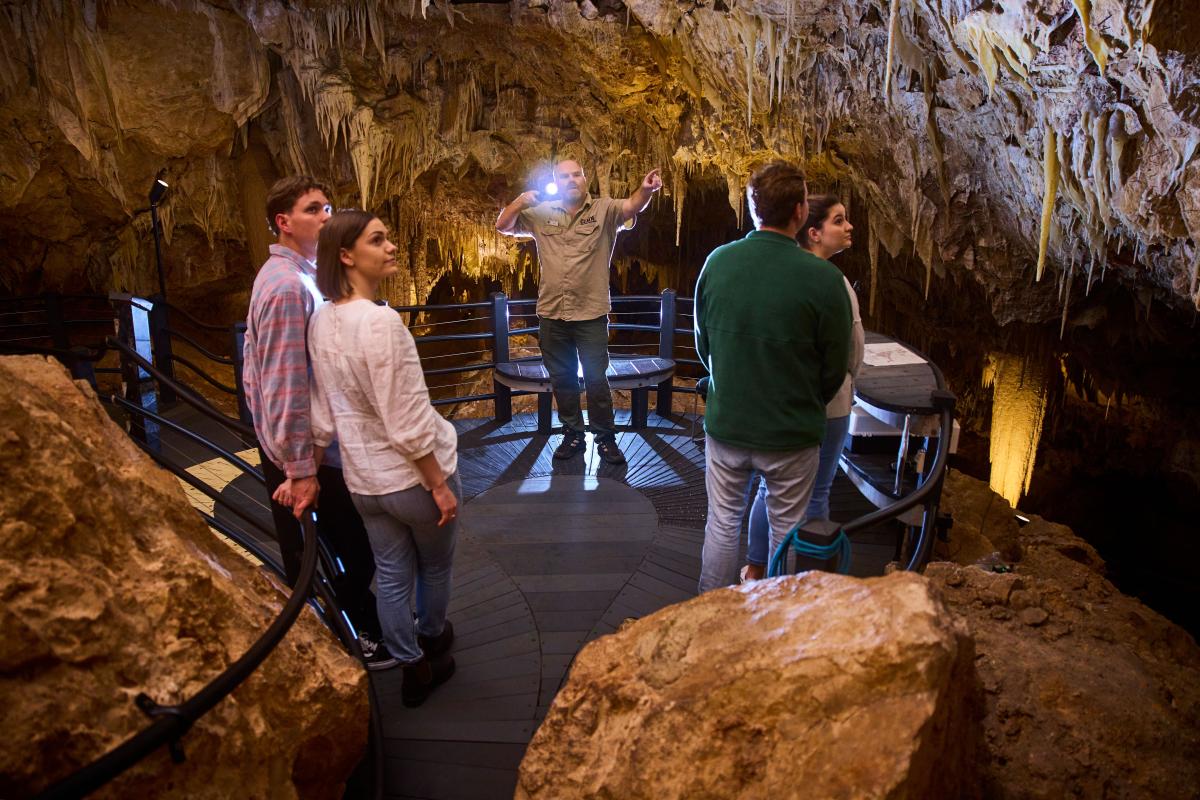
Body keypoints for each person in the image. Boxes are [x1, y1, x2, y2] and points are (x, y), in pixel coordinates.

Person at [306, 210, 461, 707]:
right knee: (433, 569)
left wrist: (308, 469)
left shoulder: (321, 320)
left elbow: (323, 415)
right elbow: (408, 418)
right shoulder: (381, 322)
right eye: (379, 240)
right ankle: (433, 639)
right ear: (347, 256)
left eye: (389, 237)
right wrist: (437, 483)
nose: (391, 246)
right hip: (411, 481)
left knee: (392, 574)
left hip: (362, 483)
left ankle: (409, 665)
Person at [242, 176, 388, 668]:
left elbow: (261, 368)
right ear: (284, 222)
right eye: (314, 209)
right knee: (350, 548)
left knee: (348, 544)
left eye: (328, 207)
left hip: (311, 447)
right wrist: (300, 466)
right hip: (310, 456)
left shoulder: (295, 276)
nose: (327, 216)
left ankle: (362, 625)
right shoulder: (286, 287)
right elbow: (283, 382)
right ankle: (363, 635)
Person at [693, 162, 852, 593]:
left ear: (752, 207)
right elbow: (836, 366)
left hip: (728, 424)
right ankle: (775, 618)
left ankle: (709, 613)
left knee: (723, 523)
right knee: (787, 530)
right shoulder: (824, 279)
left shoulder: (718, 262)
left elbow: (703, 345)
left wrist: (731, 382)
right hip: (791, 432)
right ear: (801, 212)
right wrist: (803, 400)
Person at [495, 157, 663, 465]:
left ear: (585, 179)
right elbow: (503, 226)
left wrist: (646, 190)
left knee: (597, 380)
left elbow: (631, 207)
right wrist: (520, 201)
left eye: (577, 175)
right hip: (552, 314)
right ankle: (573, 434)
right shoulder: (541, 214)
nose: (571, 180)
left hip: (591, 314)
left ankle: (605, 438)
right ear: (557, 182)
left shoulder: (604, 210)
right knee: (563, 379)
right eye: (564, 176)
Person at [739, 195, 865, 582]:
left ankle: (757, 567)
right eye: (839, 221)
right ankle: (812, 576)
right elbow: (852, 351)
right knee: (818, 492)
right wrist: (843, 384)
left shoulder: (777, 274)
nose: (849, 228)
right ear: (813, 232)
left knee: (767, 487)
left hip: (779, 401)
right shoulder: (832, 283)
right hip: (825, 406)